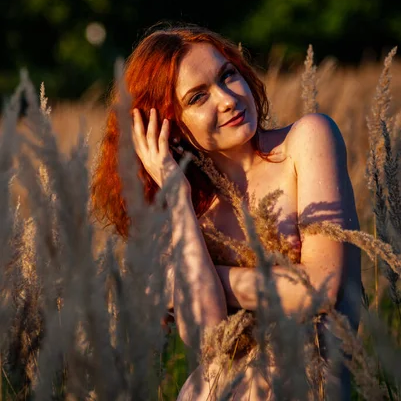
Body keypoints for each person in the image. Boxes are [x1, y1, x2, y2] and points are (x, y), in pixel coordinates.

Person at [92, 23, 361, 400]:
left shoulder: (307, 140)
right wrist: (179, 200)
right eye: (198, 97)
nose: (228, 99)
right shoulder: (184, 211)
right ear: (171, 127)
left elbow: (320, 288)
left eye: (227, 75)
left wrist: (217, 280)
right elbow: (206, 336)